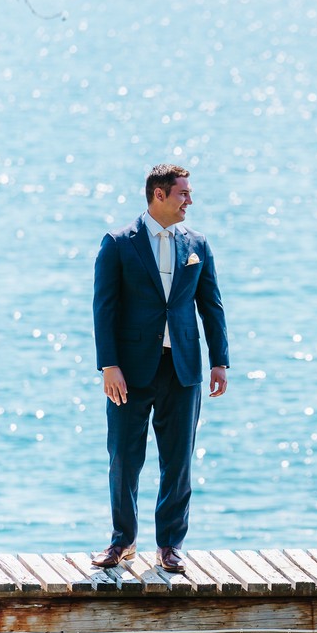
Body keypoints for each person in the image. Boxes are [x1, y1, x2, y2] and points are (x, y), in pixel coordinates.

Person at [91, 164, 230, 573]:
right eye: (183, 193)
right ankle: (122, 542)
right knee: (124, 458)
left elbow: (212, 306)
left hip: (184, 367)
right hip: (130, 371)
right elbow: (104, 308)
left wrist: (220, 361)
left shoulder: (197, 244)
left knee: (178, 461)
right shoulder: (119, 243)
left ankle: (169, 545)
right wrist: (108, 366)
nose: (190, 200)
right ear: (159, 196)